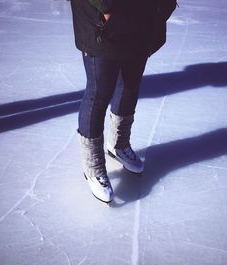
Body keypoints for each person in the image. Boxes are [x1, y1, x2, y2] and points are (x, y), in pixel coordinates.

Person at [70, 0, 177, 203]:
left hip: (141, 14)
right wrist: (106, 7)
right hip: (104, 15)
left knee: (130, 83)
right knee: (99, 91)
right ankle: (93, 165)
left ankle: (118, 144)